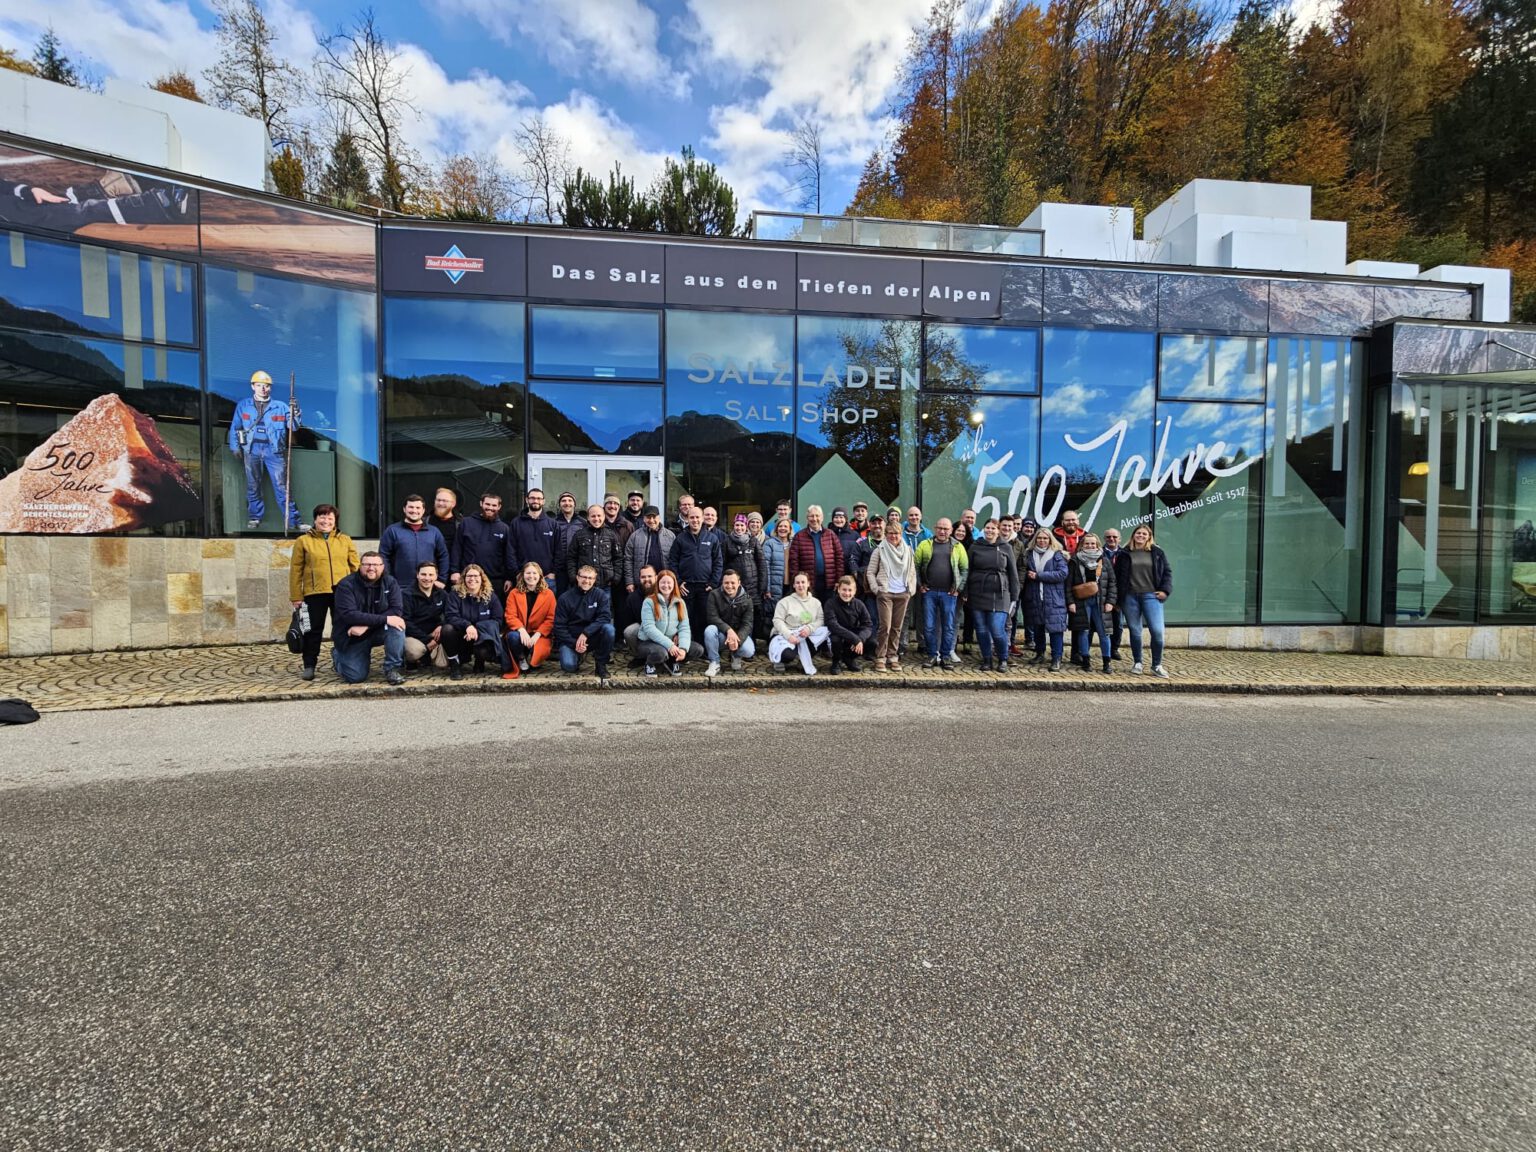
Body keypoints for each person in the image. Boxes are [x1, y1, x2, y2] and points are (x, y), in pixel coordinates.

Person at [288, 503, 359, 681]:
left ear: (335, 521)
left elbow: (355, 567)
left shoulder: (345, 540)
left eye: (330, 518)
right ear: (315, 519)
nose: (325, 520)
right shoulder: (303, 541)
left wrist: (358, 592)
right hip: (314, 593)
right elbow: (296, 570)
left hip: (342, 592)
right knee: (312, 630)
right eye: (322, 517)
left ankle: (343, 661)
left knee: (342, 628)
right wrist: (296, 596)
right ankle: (309, 665)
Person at [228, 369, 301, 531]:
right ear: (253, 386)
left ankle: (293, 520)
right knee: (253, 484)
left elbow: (293, 426)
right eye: (259, 385)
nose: (263, 388)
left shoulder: (281, 407)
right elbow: (235, 427)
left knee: (282, 486)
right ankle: (255, 517)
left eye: (266, 386)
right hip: (251, 449)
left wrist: (295, 412)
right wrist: (235, 446)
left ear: (270, 388)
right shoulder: (244, 406)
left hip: (274, 450)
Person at [330, 550, 406, 685]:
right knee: (355, 677)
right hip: (351, 636)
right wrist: (385, 619)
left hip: (374, 630)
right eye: (367, 564)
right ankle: (338, 656)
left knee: (397, 626)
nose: (371, 568)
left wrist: (367, 624)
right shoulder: (346, 585)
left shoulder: (390, 582)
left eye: (376, 565)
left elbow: (396, 609)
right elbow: (349, 614)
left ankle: (392, 669)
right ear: (360, 566)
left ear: (383, 567)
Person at [1112, 523, 1173, 677]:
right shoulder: (1124, 554)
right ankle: (1137, 662)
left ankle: (1156, 665)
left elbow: (1167, 573)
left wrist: (1165, 591)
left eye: (1144, 534)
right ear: (1133, 535)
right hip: (1129, 597)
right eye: (1138, 533)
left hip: (1151, 596)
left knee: (1157, 632)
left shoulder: (1157, 552)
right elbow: (1117, 577)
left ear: (1149, 537)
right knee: (1135, 631)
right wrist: (1117, 600)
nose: (1141, 536)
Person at [967, 518, 1020, 673]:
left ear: (998, 531)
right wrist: (965, 592)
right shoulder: (975, 546)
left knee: (997, 628)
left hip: (1000, 594)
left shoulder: (1005, 547)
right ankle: (987, 659)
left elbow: (1013, 574)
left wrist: (1014, 597)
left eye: (993, 528)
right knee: (982, 630)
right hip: (978, 592)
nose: (990, 531)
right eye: (987, 528)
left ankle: (1003, 658)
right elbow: (968, 570)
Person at [914, 517, 968, 669]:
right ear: (935, 528)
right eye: (940, 528)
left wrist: (958, 588)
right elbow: (916, 566)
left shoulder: (958, 546)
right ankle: (932, 655)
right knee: (929, 626)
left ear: (951, 530)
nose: (943, 531)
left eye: (946, 529)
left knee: (948, 626)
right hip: (929, 592)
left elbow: (964, 569)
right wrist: (920, 585)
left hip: (949, 593)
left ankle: (945, 656)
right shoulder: (925, 544)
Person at [866, 519, 917, 672]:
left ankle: (892, 657)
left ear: (901, 534)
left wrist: (911, 590)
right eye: (890, 533)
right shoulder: (879, 550)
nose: (893, 536)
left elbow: (912, 571)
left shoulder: (908, 550)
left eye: (896, 533)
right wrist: (877, 589)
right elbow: (870, 572)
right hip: (886, 593)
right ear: (885, 534)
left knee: (897, 627)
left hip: (903, 593)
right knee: (885, 627)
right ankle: (880, 657)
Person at [444, 563, 511, 679]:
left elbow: (498, 620)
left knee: (484, 652)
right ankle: (454, 664)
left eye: (476, 576)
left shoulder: (491, 596)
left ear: (482, 578)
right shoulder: (454, 594)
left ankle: (480, 661)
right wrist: (467, 626)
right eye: (469, 576)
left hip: (482, 636)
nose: (472, 579)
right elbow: (451, 616)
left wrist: (478, 629)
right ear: (464, 578)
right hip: (462, 635)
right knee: (447, 630)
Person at [553, 564, 614, 685]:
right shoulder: (565, 598)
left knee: (609, 629)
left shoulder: (601, 595)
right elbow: (559, 627)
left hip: (592, 636)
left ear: (595, 579)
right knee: (569, 666)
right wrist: (575, 643)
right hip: (571, 639)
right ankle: (579, 656)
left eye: (590, 578)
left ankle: (600, 664)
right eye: (584, 577)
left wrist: (586, 633)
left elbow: (605, 617)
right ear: (577, 578)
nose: (587, 581)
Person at [1067, 532, 1118, 674]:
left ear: (1097, 545)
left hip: (1100, 602)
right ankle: (1086, 661)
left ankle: (1107, 663)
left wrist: (1110, 602)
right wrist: (1070, 602)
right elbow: (1068, 584)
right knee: (1083, 631)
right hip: (1081, 601)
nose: (1090, 546)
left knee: (1104, 633)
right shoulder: (1075, 560)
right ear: (1082, 545)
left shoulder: (1104, 560)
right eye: (1087, 543)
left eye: (1092, 543)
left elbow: (1112, 583)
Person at [379, 493, 449, 590]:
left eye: (418, 508)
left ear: (423, 510)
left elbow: (443, 556)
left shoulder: (434, 532)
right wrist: (389, 580)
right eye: (411, 507)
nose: (414, 511)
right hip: (400, 587)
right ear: (404, 509)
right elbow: (383, 557)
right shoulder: (392, 531)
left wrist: (442, 579)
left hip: (428, 586)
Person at [1023, 527, 1069, 671]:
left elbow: (1062, 574)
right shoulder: (1029, 554)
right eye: (1039, 538)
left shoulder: (1057, 555)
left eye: (1045, 538)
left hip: (1054, 597)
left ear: (1050, 540)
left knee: (1056, 629)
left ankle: (1056, 658)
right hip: (1035, 596)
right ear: (1035, 539)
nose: (1042, 541)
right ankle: (1039, 653)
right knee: (1038, 627)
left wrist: (1039, 576)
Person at [669, 506, 722, 631]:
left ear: (703, 518)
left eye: (697, 517)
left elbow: (718, 562)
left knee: (704, 618)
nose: (695, 520)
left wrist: (713, 583)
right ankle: (688, 647)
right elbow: (672, 561)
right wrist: (679, 582)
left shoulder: (712, 538)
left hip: (705, 586)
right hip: (686, 587)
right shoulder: (680, 538)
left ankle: (702, 648)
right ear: (687, 519)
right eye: (691, 517)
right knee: (686, 618)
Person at [452, 493, 514, 595]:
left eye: (494, 505)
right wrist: (454, 571)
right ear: (481, 504)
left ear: (499, 507)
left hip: (495, 580)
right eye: (487, 504)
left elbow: (507, 556)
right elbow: (457, 549)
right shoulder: (466, 523)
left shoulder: (504, 529)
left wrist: (509, 578)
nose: (490, 508)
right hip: (469, 578)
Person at [503, 561, 557, 678]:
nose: (531, 576)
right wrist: (521, 630)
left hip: (538, 633)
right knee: (513, 637)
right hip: (519, 632)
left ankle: (534, 657)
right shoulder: (514, 593)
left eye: (534, 573)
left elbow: (550, 619)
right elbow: (510, 615)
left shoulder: (549, 594)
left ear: (540, 576)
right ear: (523, 575)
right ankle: (521, 658)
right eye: (528, 573)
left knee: (536, 661)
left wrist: (538, 634)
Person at [771, 571, 830, 676]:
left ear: (808, 584)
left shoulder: (816, 603)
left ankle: (802, 662)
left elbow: (821, 619)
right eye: (797, 583)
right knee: (788, 655)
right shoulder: (784, 602)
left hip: (805, 634)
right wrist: (789, 635)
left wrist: (809, 629)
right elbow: (777, 620)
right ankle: (779, 660)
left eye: (803, 582)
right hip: (786, 634)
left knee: (824, 633)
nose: (800, 585)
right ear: (793, 585)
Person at [636, 568, 690, 677]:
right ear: (658, 584)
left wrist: (683, 649)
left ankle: (672, 661)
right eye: (663, 582)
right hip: (648, 642)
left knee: (697, 650)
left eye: (669, 582)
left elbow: (684, 627)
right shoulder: (649, 601)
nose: (666, 585)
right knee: (660, 653)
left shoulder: (680, 603)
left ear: (674, 584)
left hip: (670, 642)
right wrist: (670, 645)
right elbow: (649, 629)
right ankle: (649, 664)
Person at [704, 569, 756, 676]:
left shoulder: (747, 599)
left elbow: (748, 624)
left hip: (738, 635)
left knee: (749, 650)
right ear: (722, 583)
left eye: (733, 583)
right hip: (721, 634)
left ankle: (735, 655)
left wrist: (738, 640)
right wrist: (728, 630)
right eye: (726, 583)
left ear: (739, 583)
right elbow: (712, 617)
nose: (729, 586)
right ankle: (714, 662)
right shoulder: (714, 595)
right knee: (709, 630)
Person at [788, 504, 845, 601]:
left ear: (822, 518)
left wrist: (838, 580)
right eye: (811, 516)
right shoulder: (799, 536)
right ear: (807, 518)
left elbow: (839, 558)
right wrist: (797, 582)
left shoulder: (830, 534)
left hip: (829, 584)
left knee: (827, 611)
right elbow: (794, 561)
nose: (814, 519)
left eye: (817, 516)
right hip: (808, 585)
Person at [401, 561, 448, 673]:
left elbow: (451, 614)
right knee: (414, 652)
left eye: (431, 575)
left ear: (436, 576)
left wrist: (442, 626)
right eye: (423, 574)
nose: (427, 578)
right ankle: (411, 661)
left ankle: (427, 657)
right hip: (413, 635)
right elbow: (406, 621)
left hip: (435, 634)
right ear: (417, 575)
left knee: (443, 664)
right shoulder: (406, 594)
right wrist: (426, 640)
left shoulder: (442, 594)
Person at [823, 573, 874, 673]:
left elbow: (868, 625)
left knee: (872, 643)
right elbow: (832, 625)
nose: (847, 593)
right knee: (835, 640)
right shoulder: (830, 603)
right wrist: (855, 639)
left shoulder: (859, 604)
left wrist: (860, 639)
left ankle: (848, 658)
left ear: (854, 591)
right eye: (844, 590)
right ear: (838, 589)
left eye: (850, 590)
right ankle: (836, 661)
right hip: (837, 634)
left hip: (853, 633)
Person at [567, 503, 624, 591]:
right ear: (588, 518)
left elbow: (618, 558)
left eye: (599, 516)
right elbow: (571, 558)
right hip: (583, 584)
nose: (596, 519)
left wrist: (616, 578)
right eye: (593, 516)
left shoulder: (611, 535)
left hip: (605, 585)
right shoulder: (579, 535)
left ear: (604, 516)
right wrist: (573, 577)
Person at [509, 487, 557, 586]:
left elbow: (559, 551)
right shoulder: (516, 523)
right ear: (527, 500)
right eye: (532, 498)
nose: (536, 501)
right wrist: (516, 573)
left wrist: (554, 572)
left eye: (539, 498)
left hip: (547, 578)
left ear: (543, 501)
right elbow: (510, 550)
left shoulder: (553, 524)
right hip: (523, 577)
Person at [624, 505, 675, 596]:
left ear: (659, 518)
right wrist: (629, 582)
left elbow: (675, 560)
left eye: (654, 517)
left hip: (664, 583)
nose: (651, 520)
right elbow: (628, 559)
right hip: (643, 583)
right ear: (643, 519)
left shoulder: (670, 536)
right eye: (648, 517)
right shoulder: (635, 536)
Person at [719, 513, 767, 610]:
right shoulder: (726, 542)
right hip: (734, 586)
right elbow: (722, 565)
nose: (739, 528)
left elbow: (762, 565)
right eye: (737, 525)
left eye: (742, 525)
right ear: (734, 526)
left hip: (753, 588)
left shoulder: (753, 541)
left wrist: (762, 587)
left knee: (755, 616)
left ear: (746, 526)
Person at [622, 565, 660, 661]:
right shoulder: (632, 598)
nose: (646, 579)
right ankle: (640, 656)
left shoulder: (663, 592)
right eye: (643, 577)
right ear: (639, 578)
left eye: (649, 576)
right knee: (629, 631)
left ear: (656, 577)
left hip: (663, 627)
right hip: (644, 628)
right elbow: (628, 622)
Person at [1101, 528, 1126, 660]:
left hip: (1118, 593)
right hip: (1101, 592)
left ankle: (1114, 649)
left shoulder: (1124, 554)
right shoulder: (1099, 553)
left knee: (1118, 624)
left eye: (1114, 537)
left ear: (1119, 539)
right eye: (1108, 537)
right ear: (1104, 539)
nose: (1111, 539)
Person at [550, 491, 582, 594]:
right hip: (559, 569)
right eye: (563, 501)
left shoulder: (583, 523)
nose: (567, 503)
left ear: (574, 504)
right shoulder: (553, 523)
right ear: (559, 504)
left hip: (577, 567)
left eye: (570, 500)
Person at [762, 516, 794, 613]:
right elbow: (765, 566)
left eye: (785, 526)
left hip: (790, 586)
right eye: (780, 526)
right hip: (774, 586)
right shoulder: (769, 543)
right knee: (774, 614)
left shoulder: (794, 543)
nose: (783, 528)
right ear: (776, 529)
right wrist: (767, 588)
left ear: (789, 530)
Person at [429, 488, 463, 565]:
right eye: (438, 500)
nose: (440, 503)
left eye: (445, 501)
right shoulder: (425, 522)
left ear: (453, 504)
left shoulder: (461, 523)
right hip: (429, 571)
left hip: (453, 570)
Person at [830, 507, 861, 571]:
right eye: (836, 517)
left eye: (841, 517)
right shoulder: (827, 534)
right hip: (831, 572)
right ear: (832, 519)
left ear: (846, 519)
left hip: (849, 573)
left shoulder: (855, 535)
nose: (839, 520)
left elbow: (859, 555)